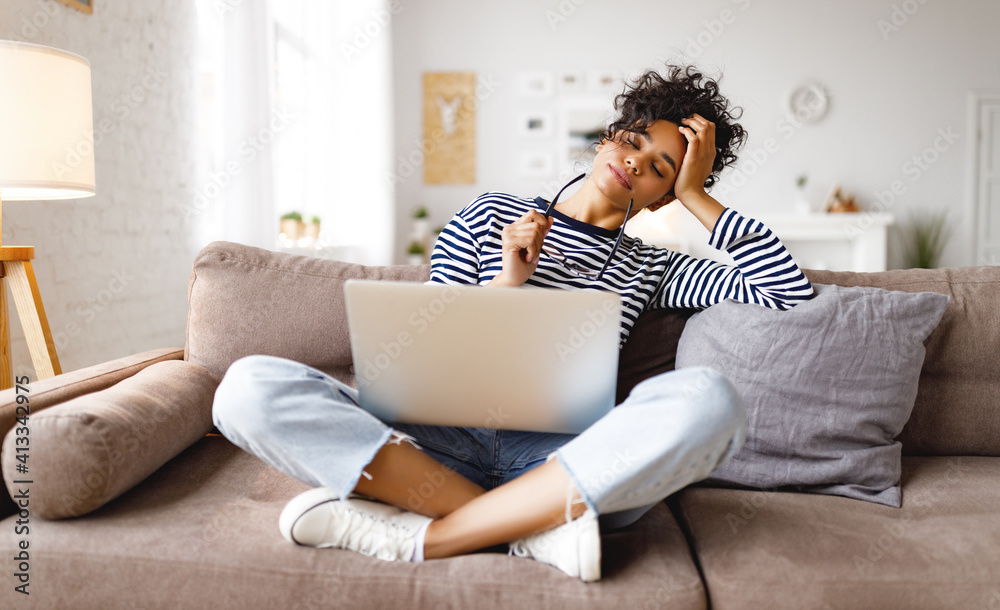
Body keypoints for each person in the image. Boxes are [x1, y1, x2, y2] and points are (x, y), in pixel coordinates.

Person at [211, 64, 814, 583]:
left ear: (663, 196)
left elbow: (787, 292)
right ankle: (530, 527)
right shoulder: (489, 214)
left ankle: (433, 536)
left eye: (660, 168)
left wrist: (698, 195)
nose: (634, 163)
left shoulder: (653, 267)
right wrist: (507, 284)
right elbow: (433, 350)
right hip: (432, 446)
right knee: (246, 388)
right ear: (607, 138)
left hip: (563, 461)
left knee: (711, 401)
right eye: (632, 141)